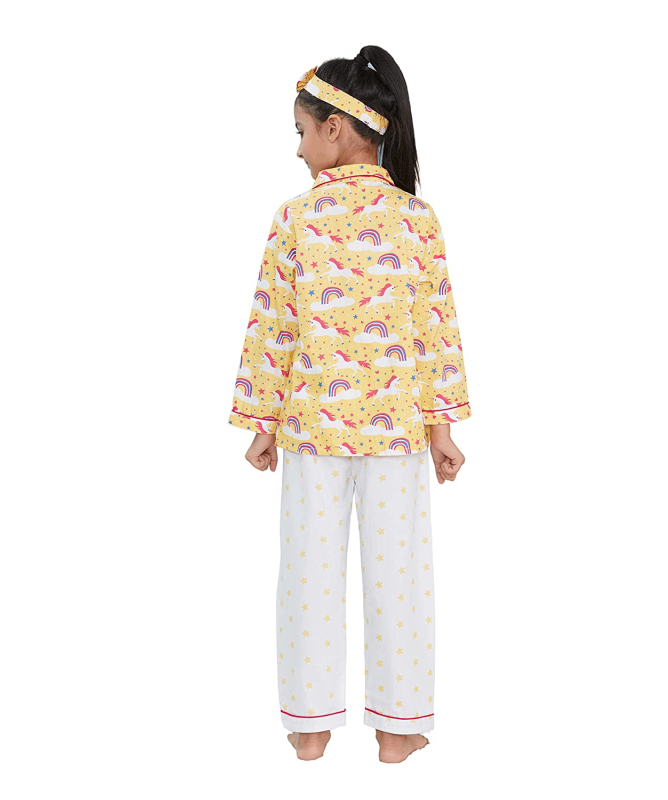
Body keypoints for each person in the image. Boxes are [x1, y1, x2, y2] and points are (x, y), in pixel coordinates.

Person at [227, 46, 472, 762]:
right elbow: (435, 331)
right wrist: (442, 428)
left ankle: (309, 730)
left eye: (302, 131)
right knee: (400, 578)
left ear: (336, 128)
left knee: (307, 575)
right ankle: (398, 731)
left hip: (311, 431)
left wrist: (263, 423)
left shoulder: (295, 218)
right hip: (397, 434)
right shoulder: (417, 219)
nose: (299, 149)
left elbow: (272, 328)